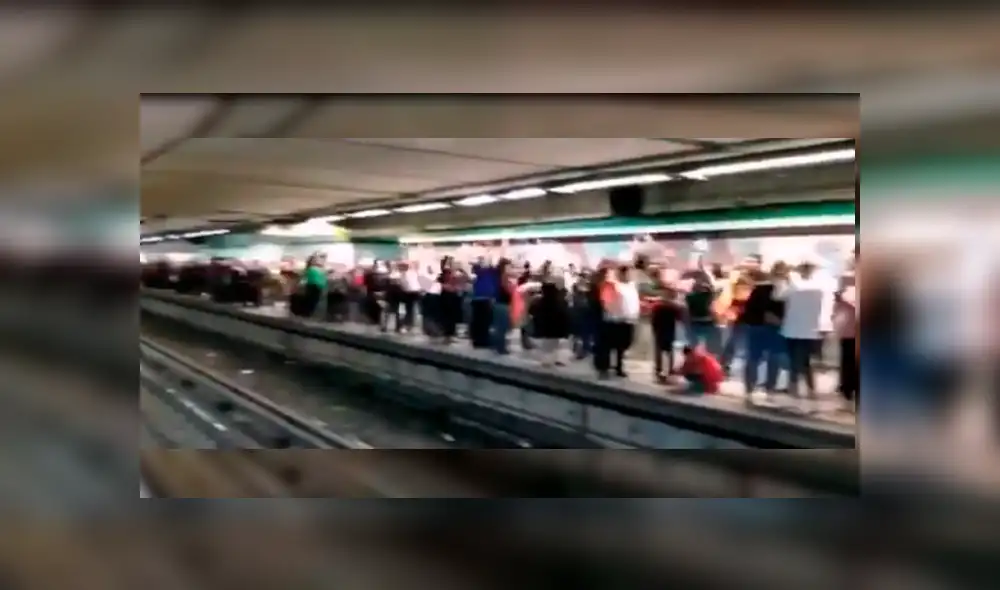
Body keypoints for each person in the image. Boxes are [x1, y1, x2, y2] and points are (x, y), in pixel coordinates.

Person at [778, 257, 836, 400]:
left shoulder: (795, 285)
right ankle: (810, 388)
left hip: (794, 328)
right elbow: (827, 307)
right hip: (810, 329)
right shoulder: (823, 286)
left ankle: (794, 388)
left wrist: (785, 278)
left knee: (796, 360)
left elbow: (779, 296)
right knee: (805, 361)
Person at [740, 263, 788, 403]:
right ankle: (768, 389)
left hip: (756, 327)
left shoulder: (761, 288)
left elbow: (749, 309)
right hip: (771, 328)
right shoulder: (784, 289)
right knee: (773, 358)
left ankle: (750, 389)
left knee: (754, 358)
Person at [648, 279, 686, 383]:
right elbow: (680, 317)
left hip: (665, 328)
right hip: (663, 328)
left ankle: (663, 370)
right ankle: (663, 369)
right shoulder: (665, 305)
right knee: (665, 350)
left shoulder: (662, 304)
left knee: (664, 350)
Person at [291, 253, 327, 318]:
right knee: (311, 301)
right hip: (313, 286)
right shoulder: (313, 269)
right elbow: (305, 277)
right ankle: (306, 313)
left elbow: (305, 277)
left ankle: (307, 313)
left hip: (315, 286)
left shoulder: (315, 269)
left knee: (312, 301)